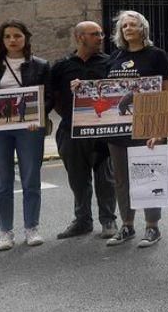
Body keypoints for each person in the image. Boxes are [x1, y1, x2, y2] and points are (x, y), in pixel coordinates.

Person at [89, 10, 168, 248]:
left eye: (133, 25)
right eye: (124, 25)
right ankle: (127, 225)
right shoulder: (115, 57)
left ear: (143, 29)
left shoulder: (156, 55)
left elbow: (167, 90)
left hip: (147, 127)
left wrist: (161, 127)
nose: (128, 28)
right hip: (118, 130)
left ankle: (152, 227)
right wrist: (80, 87)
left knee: (148, 175)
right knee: (121, 180)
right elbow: (106, 90)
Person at [0, 21, 50, 250]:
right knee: (1, 182)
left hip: (29, 130)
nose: (12, 40)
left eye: (17, 35)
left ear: (25, 38)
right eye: (7, 36)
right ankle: (5, 232)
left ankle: (31, 228)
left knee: (30, 178)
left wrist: (37, 117)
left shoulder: (40, 65)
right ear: (2, 40)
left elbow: (49, 96)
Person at [48, 21, 118, 240]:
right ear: (80, 37)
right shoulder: (61, 66)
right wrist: (71, 117)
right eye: (95, 34)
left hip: (104, 130)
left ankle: (108, 220)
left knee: (106, 178)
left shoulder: (110, 62)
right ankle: (82, 220)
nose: (101, 37)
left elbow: (119, 91)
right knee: (78, 178)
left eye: (101, 33)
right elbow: (54, 97)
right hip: (71, 131)